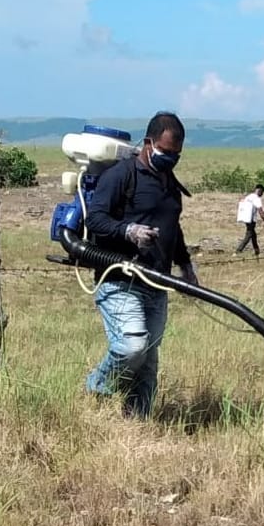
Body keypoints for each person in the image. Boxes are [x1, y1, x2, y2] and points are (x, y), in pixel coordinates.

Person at [83, 111, 198, 418]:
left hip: (157, 283)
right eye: (166, 151)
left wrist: (186, 265)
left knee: (147, 358)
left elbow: (173, 227)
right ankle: (95, 387)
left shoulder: (169, 183)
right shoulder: (121, 175)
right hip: (120, 279)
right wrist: (128, 231)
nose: (171, 159)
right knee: (132, 346)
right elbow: (95, 219)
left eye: (176, 155)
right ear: (148, 142)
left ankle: (137, 420)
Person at [235, 184, 264, 256]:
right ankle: (237, 251)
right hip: (251, 220)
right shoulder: (257, 199)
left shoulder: (249, 196)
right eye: (262, 192)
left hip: (246, 219)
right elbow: (261, 213)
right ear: (259, 190)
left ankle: (257, 251)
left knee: (253, 235)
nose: (262, 194)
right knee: (249, 234)